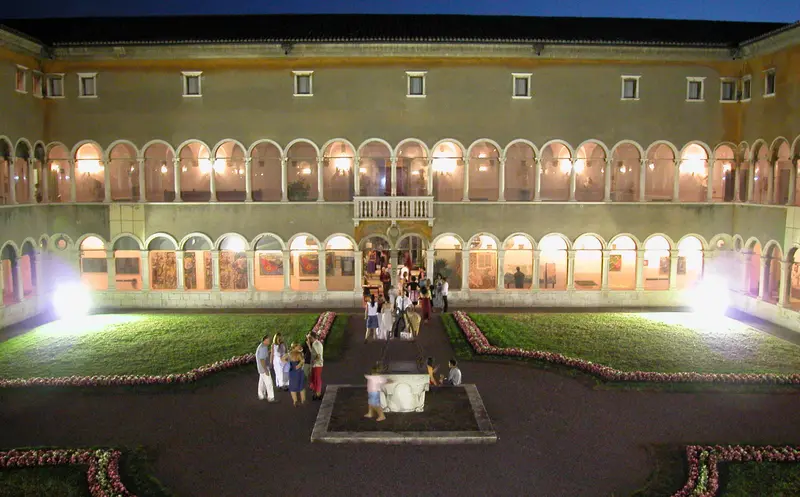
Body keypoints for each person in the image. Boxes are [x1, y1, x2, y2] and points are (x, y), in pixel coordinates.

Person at [255, 335, 277, 402]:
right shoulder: (263, 348)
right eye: (268, 340)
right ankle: (271, 397)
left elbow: (263, 356)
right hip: (264, 368)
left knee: (262, 382)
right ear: (265, 340)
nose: (269, 342)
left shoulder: (262, 346)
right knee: (269, 383)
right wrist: (266, 370)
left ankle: (261, 395)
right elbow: (262, 360)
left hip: (261, 368)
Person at [286, 342, 306, 406]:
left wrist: (288, 363)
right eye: (298, 346)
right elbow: (303, 360)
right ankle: (303, 400)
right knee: (301, 386)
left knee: (292, 386)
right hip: (299, 372)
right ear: (295, 347)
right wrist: (299, 365)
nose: (299, 347)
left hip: (292, 372)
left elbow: (282, 359)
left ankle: (295, 401)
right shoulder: (298, 353)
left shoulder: (289, 353)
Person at [309, 332, 324, 400]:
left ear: (312, 337)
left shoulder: (316, 344)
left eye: (309, 338)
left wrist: (314, 361)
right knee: (315, 379)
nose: (309, 339)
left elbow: (318, 355)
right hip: (316, 364)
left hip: (317, 364)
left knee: (317, 379)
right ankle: (317, 393)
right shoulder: (315, 343)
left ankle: (318, 394)